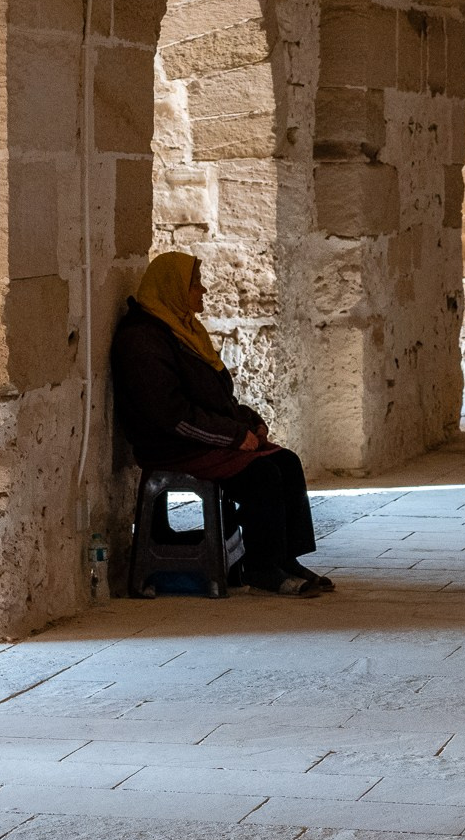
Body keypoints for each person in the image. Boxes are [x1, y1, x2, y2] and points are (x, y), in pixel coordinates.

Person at [111, 251, 333, 597]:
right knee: (262, 476)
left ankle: (286, 559)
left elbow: (214, 396)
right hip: (173, 444)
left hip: (203, 436)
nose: (203, 290)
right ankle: (261, 568)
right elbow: (173, 415)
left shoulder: (181, 330)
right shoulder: (142, 340)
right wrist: (232, 437)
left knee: (285, 462)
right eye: (194, 284)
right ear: (172, 289)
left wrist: (249, 423)